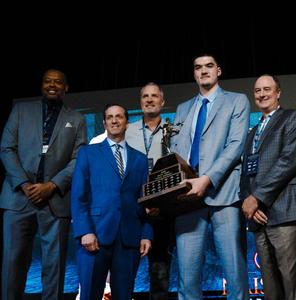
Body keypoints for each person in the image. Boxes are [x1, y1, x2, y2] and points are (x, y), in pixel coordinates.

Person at [0, 69, 87, 300]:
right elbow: (7, 148)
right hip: (18, 198)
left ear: (65, 88)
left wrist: (51, 185)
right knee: (13, 262)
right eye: (48, 81)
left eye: (58, 82)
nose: (52, 85)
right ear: (42, 85)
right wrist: (24, 184)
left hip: (55, 199)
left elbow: (79, 158)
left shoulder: (76, 119)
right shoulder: (21, 111)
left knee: (55, 266)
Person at [170, 54, 249, 299]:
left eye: (209, 66)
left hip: (223, 193)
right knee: (187, 274)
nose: (203, 71)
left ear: (219, 71)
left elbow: (236, 146)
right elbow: (176, 150)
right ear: (194, 73)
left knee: (234, 271)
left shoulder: (237, 101)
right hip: (187, 197)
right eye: (198, 67)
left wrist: (208, 178)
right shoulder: (182, 109)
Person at [71, 104, 152, 300]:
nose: (114, 121)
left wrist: (146, 234)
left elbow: (146, 201)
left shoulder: (140, 159)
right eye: (109, 117)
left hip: (129, 238)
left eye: (119, 117)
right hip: (96, 235)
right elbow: (78, 195)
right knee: (90, 294)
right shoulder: (88, 153)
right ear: (105, 122)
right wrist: (85, 231)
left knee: (124, 295)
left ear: (127, 122)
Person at [241, 74, 296, 300]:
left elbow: (288, 161)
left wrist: (257, 198)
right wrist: (249, 201)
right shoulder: (252, 132)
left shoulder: (293, 118)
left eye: (267, 89)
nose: (262, 94)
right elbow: (246, 172)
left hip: (286, 212)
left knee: (294, 286)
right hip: (259, 217)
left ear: (278, 93)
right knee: (271, 289)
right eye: (257, 90)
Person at [125, 82, 174, 300]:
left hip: (161, 208)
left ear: (162, 102)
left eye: (155, 96)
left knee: (159, 268)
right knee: (126, 267)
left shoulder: (173, 130)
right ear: (140, 102)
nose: (149, 99)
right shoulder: (128, 131)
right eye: (145, 96)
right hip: (133, 208)